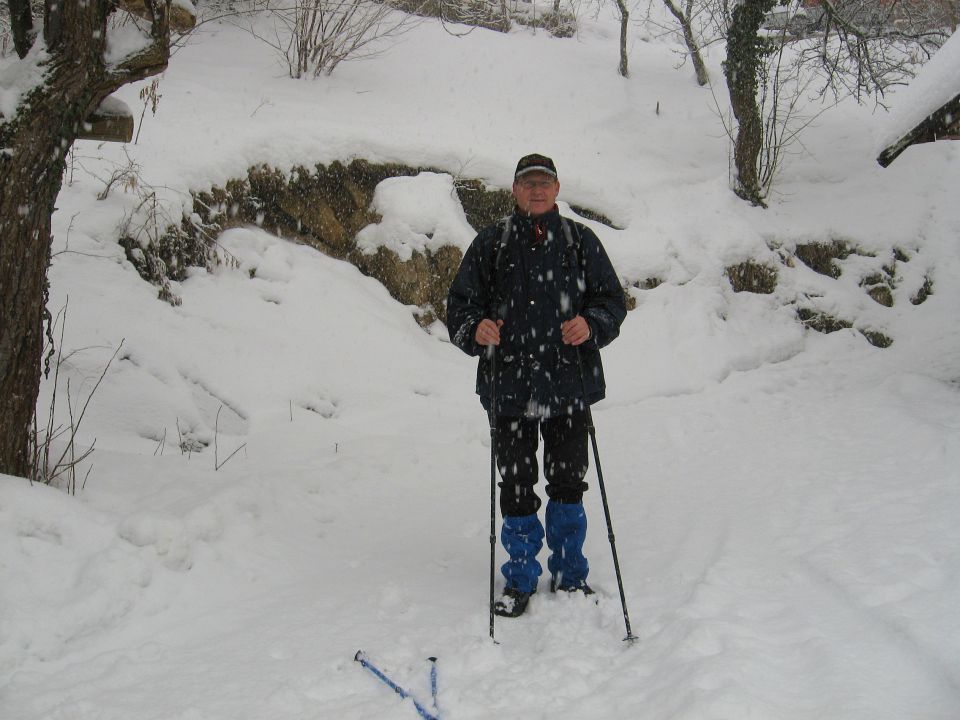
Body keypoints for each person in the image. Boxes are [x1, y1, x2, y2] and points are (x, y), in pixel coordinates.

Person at [447, 153, 626, 618]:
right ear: (515, 191)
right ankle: (521, 578)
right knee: (518, 485)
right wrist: (475, 329)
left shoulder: (580, 241)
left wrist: (592, 323)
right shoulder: (491, 244)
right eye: (528, 183)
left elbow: (612, 300)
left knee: (568, 483)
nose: (537, 190)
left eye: (544, 182)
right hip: (510, 389)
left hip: (568, 386)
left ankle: (570, 574)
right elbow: (460, 306)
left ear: (558, 188)